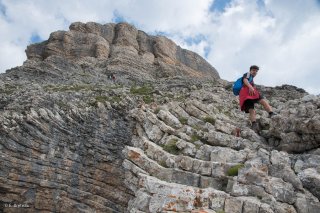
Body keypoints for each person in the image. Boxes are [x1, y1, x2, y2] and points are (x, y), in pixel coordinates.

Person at [239, 65, 275, 131]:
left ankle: (254, 125)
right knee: (262, 102)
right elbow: (245, 80)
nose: (255, 72)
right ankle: (271, 114)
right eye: (253, 70)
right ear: (250, 71)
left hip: (245, 95)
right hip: (249, 93)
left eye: (256, 71)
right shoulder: (247, 74)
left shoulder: (251, 78)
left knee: (251, 109)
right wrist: (251, 87)